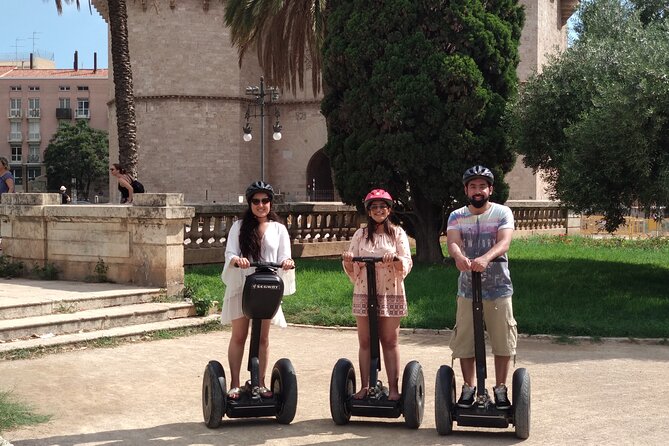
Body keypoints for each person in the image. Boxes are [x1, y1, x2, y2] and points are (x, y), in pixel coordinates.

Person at [446, 165, 516, 410]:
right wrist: (458, 257)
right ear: (466, 190)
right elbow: (453, 242)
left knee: (502, 341)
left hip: (498, 287)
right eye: (473, 186)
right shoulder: (456, 216)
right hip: (467, 289)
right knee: (465, 341)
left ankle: (500, 389)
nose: (478, 190)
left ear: (490, 189)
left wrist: (486, 258)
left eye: (482, 186)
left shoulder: (502, 213)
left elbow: (504, 242)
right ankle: (468, 387)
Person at [220, 181, 296, 399]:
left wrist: (287, 262)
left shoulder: (279, 229)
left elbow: (284, 255)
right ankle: (234, 384)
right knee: (239, 336)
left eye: (265, 201)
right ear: (250, 203)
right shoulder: (239, 226)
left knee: (263, 338)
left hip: (266, 287)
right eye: (256, 201)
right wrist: (237, 260)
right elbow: (230, 253)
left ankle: (260, 383)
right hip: (243, 286)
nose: (261, 205)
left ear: (271, 203)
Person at [342, 188, 413, 401]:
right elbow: (352, 260)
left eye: (383, 206)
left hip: (390, 290)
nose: (379, 210)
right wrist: (348, 260)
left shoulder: (398, 233)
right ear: (369, 211)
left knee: (389, 340)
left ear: (389, 209)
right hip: (365, 289)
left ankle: (393, 389)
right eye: (374, 207)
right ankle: (365, 387)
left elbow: (407, 260)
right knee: (365, 340)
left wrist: (396, 259)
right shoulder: (360, 234)